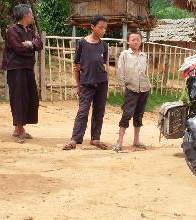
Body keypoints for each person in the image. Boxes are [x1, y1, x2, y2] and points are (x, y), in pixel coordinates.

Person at [63, 15, 109, 150]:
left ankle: (95, 138)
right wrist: (78, 85)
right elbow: (76, 66)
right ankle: (75, 139)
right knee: (83, 111)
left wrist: (107, 84)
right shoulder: (82, 43)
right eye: (100, 27)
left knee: (99, 111)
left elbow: (104, 65)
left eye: (105, 28)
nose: (103, 30)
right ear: (92, 27)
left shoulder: (104, 46)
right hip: (86, 84)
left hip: (102, 83)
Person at [2, 4, 43, 144]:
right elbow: (18, 48)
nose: (32, 16)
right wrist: (31, 46)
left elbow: (40, 44)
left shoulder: (30, 31)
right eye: (30, 13)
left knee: (30, 97)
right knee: (18, 97)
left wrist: (30, 44)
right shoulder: (12, 30)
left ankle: (19, 128)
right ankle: (20, 129)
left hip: (27, 67)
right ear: (25, 15)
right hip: (16, 68)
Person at [113, 30, 150, 152]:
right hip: (131, 88)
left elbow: (146, 72)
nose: (135, 41)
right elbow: (120, 72)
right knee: (127, 114)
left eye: (137, 39)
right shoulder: (125, 54)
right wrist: (124, 86)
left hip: (144, 89)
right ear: (128, 41)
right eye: (133, 39)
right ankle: (119, 142)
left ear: (141, 41)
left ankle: (136, 140)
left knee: (139, 115)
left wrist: (149, 85)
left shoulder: (144, 55)